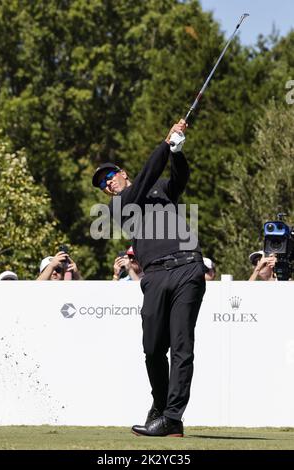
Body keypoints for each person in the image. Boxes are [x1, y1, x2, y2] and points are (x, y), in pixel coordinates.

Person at [92, 119, 205, 437]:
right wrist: (165, 143)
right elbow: (148, 176)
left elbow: (178, 179)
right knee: (154, 349)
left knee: (183, 346)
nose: (108, 184)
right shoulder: (120, 206)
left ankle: (172, 418)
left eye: (111, 176)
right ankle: (160, 406)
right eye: (104, 185)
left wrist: (177, 152)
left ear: (122, 173)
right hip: (154, 275)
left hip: (187, 268)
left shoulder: (158, 190)